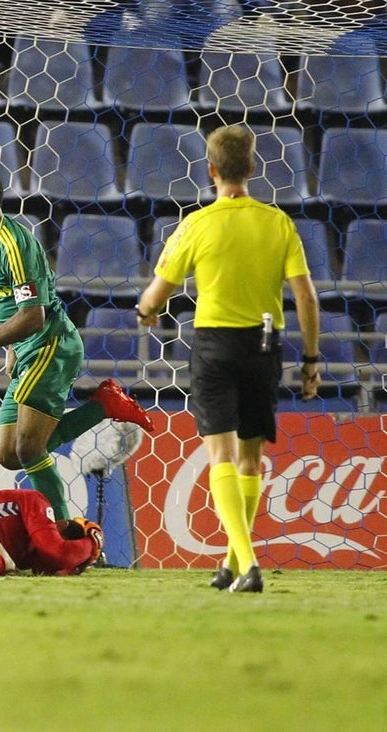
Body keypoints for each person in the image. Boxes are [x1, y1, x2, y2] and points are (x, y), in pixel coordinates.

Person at [136, 124, 321, 594]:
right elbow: (306, 296)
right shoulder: (278, 223)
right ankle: (232, 561)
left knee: (219, 453)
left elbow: (156, 296)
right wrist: (312, 359)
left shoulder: (196, 224)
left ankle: (249, 564)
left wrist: (147, 312)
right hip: (264, 345)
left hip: (215, 345)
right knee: (251, 458)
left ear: (211, 171)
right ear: (253, 169)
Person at [0, 165, 154, 523]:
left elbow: (34, 317)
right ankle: (103, 405)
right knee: (8, 454)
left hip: (50, 344)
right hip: (27, 349)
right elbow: (7, 301)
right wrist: (10, 349)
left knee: (28, 447)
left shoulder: (15, 243)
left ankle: (65, 528)